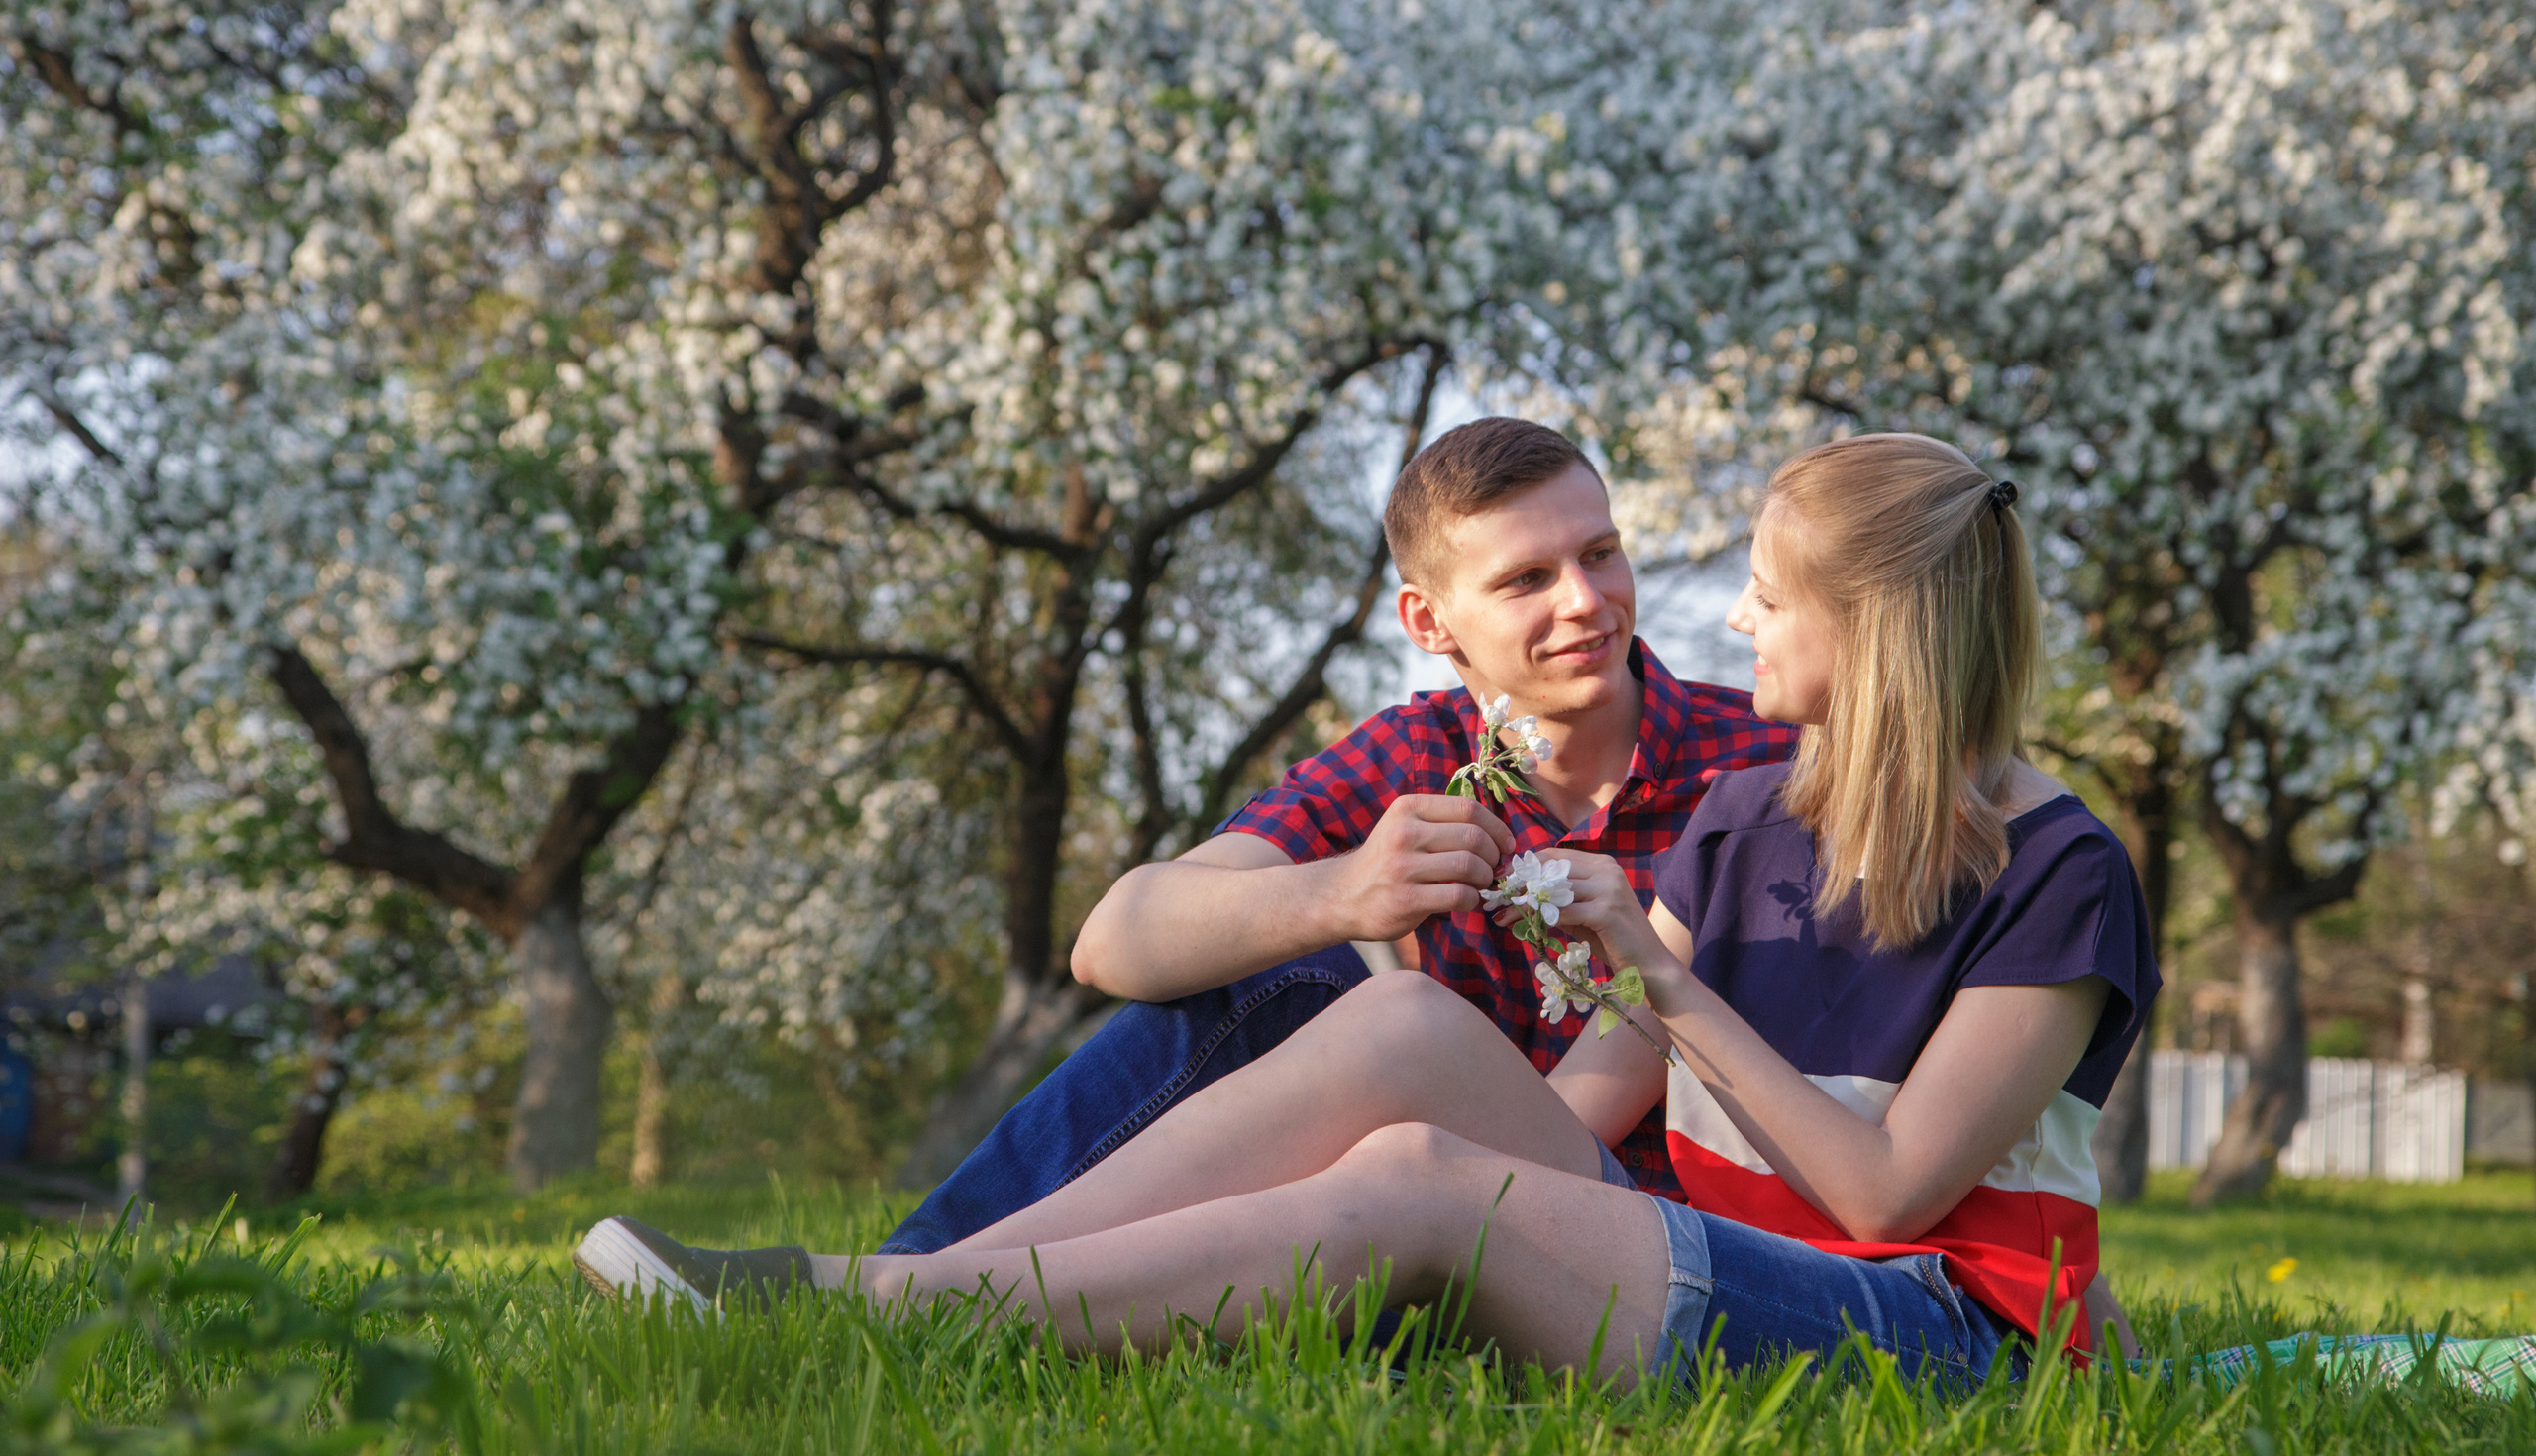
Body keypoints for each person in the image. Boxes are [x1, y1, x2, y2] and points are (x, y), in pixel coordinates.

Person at [577, 432, 2159, 1384]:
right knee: (1389, 1030)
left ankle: (895, 1306)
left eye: (1764, 588)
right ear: (1437, 621)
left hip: (1927, 1330)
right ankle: (907, 1294)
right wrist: (1449, 958)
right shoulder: (1748, 816)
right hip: (1697, 1238)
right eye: (1535, 573)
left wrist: (1655, 988)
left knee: (1419, 1180)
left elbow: (1886, 1200)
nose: (1714, 609)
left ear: (1868, 627)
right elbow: (1584, 1105)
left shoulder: (2059, 869)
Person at [875, 418, 1799, 1254]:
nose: (1586, 600)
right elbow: (1113, 942)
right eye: (1527, 579)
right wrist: (1343, 891)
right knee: (1276, 969)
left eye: (1601, 553)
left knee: (1391, 1034)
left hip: (1662, 1227)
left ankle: (937, 1285)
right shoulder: (1419, 750)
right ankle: (916, 1269)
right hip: (1431, 1187)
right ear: (1428, 620)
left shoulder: (1767, 763)